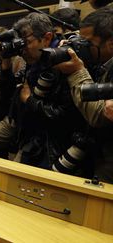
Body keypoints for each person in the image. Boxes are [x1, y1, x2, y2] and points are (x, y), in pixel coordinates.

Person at [0, 13, 87, 173]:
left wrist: (29, 100)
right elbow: (8, 93)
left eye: (26, 43)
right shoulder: (35, 59)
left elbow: (63, 115)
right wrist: (5, 62)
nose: (21, 50)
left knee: (15, 174)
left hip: (45, 137)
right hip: (22, 122)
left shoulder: (63, 60)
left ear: (46, 38)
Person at [55, 6, 113, 182]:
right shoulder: (100, 62)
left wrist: (77, 71)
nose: (83, 48)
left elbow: (97, 115)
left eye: (87, 43)